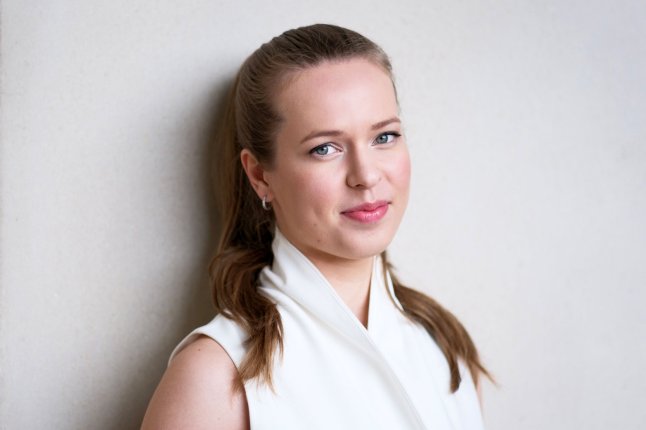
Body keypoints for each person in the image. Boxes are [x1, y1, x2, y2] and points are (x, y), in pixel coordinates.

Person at [142, 23, 492, 429]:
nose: (366, 175)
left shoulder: (445, 346)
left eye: (384, 137)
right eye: (325, 148)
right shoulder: (215, 379)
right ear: (259, 175)